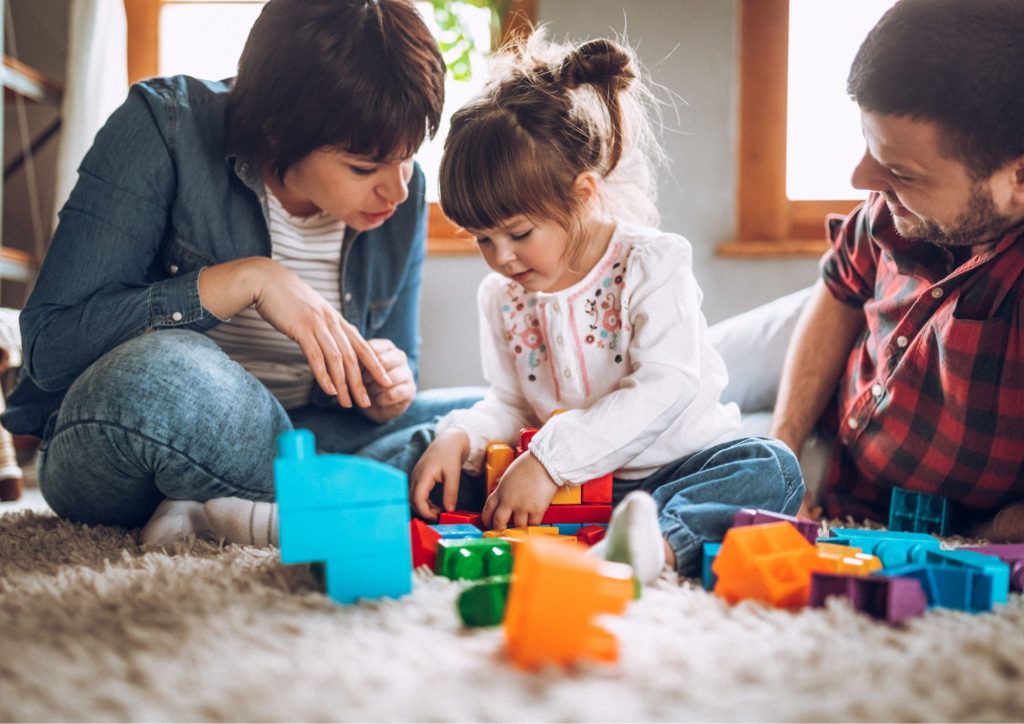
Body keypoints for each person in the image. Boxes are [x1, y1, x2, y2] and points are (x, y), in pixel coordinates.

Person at [0, 0, 481, 545]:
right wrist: (246, 280)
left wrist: (385, 390)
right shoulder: (164, 126)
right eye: (364, 168)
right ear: (276, 132)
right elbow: (51, 345)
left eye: (409, 156)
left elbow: (397, 363)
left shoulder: (402, 192)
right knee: (166, 373)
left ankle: (226, 510)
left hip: (310, 432)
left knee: (484, 419)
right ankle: (338, 497)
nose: (397, 189)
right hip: (143, 429)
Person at [399, 34, 805, 582]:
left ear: (584, 193)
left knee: (772, 469)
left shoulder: (651, 263)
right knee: (434, 449)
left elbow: (669, 383)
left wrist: (549, 461)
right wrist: (462, 437)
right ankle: (365, 519)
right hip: (566, 488)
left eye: (518, 232)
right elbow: (511, 403)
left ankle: (652, 543)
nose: (501, 258)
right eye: (481, 239)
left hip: (670, 472)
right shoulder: (502, 296)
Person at [768, 0, 1024, 539]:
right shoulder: (893, 206)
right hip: (834, 379)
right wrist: (783, 448)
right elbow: (839, 294)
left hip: (905, 508)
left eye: (900, 171)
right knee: (686, 396)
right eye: (868, 145)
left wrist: (990, 532)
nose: (861, 179)